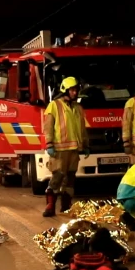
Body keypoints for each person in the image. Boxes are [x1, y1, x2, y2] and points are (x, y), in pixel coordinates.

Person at [43, 76, 90, 217]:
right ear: (65, 90)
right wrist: (49, 143)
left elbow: (82, 129)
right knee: (57, 178)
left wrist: (86, 145)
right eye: (72, 90)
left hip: (73, 150)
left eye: (76, 90)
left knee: (70, 179)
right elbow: (48, 127)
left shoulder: (78, 108)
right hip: (59, 150)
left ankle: (65, 206)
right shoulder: (54, 105)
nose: (75, 93)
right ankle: (50, 206)